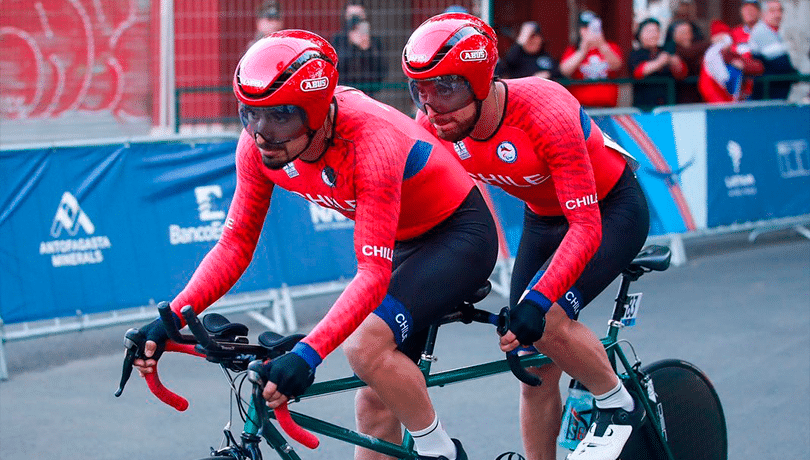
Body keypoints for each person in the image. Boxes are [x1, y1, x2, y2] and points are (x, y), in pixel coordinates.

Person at [133, 30, 500, 460]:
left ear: (317, 111)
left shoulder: (369, 140)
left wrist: (308, 355)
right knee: (375, 401)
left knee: (364, 346)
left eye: (280, 117)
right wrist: (171, 317)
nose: (262, 134)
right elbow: (235, 244)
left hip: (458, 234)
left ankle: (442, 451)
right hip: (402, 239)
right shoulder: (257, 146)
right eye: (250, 115)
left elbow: (372, 275)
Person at [402, 13, 650, 460]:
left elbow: (586, 226)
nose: (432, 107)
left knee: (548, 320)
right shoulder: (431, 126)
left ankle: (619, 404)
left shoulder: (544, 107)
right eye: (421, 90)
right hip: (543, 217)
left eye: (446, 89)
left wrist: (538, 302)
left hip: (609, 209)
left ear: (481, 82)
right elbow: (428, 222)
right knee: (533, 367)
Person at [559, 11, 624, 108]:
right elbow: (564, 70)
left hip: (607, 107)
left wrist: (602, 45)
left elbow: (617, 65)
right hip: (581, 108)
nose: (588, 31)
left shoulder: (611, 47)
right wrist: (582, 51)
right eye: (584, 28)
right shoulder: (573, 49)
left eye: (592, 27)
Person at [698, 20, 764, 103]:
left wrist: (743, 66)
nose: (723, 43)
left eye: (725, 38)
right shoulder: (708, 59)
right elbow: (707, 87)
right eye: (719, 39)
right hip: (718, 104)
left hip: (737, 102)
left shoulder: (735, 56)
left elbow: (759, 67)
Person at [628, 18, 687, 109]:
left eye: (656, 31)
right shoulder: (635, 54)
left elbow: (682, 73)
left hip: (669, 104)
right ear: (640, 34)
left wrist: (674, 62)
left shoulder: (666, 50)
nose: (653, 35)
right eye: (649, 31)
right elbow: (638, 72)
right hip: (645, 106)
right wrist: (660, 62)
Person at [332, 0, 387, 96]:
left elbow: (381, 71)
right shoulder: (338, 40)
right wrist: (351, 46)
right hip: (344, 92)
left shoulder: (374, 40)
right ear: (345, 17)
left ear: (365, 17)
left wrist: (367, 49)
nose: (355, 20)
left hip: (368, 92)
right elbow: (337, 68)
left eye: (358, 16)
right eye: (351, 16)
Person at [748, 0, 798, 100]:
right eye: (772, 11)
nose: (777, 14)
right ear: (763, 13)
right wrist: (795, 75)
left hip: (777, 94)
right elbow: (781, 64)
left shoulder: (776, 31)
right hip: (766, 96)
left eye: (780, 11)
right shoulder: (761, 31)